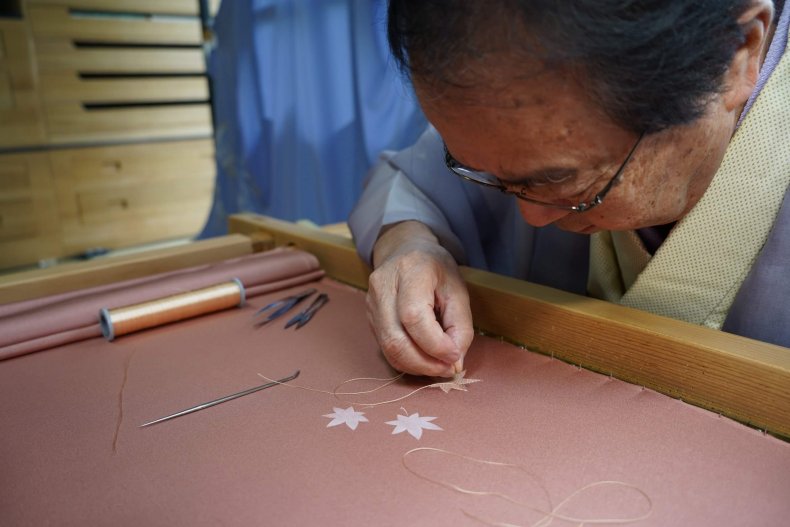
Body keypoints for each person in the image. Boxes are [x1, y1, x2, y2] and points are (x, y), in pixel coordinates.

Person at [349, 0, 790, 377]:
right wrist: (408, 246)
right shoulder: (511, 122)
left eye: (558, 178)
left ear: (735, 55)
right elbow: (409, 182)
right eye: (480, 170)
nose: (533, 217)